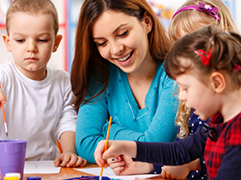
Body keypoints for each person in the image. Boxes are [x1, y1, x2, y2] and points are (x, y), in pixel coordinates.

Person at [94, 25, 241, 180]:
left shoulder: (237, 136)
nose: (181, 97)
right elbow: (179, 151)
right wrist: (124, 146)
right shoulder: (218, 124)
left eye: (185, 88)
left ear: (217, 83)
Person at [0, 0, 86, 167]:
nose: (31, 48)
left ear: (56, 43)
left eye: (41, 40)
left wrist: (70, 151)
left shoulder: (63, 82)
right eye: (21, 40)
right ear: (8, 42)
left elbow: (68, 122)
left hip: (47, 166)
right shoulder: (1, 75)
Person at [71, 0, 178, 173]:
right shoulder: (101, 75)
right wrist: (137, 146)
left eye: (122, 33)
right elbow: (85, 143)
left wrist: (108, 131)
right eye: (102, 43)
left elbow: (157, 147)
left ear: (147, 23)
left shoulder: (176, 73)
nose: (115, 49)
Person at [161, 1, 238, 179]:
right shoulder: (193, 96)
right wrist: (144, 162)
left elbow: (225, 160)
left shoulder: (229, 110)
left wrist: (191, 165)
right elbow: (181, 151)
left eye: (191, 47)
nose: (183, 57)